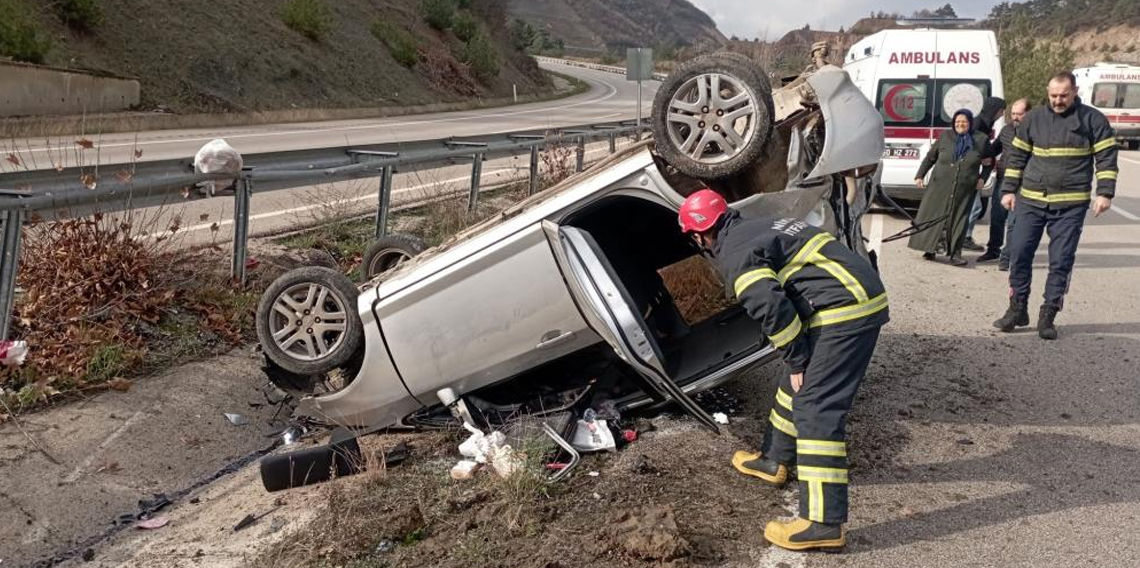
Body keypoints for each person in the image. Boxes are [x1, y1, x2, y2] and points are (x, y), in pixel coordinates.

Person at [677, 189, 888, 552]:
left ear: (698, 235)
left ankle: (823, 523)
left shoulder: (734, 253)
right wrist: (796, 363)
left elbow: (773, 309)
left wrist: (796, 358)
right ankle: (774, 459)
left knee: (815, 408)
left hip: (845, 308)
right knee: (794, 384)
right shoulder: (754, 227)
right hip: (849, 294)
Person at [994, 71, 1118, 339]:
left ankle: (1048, 313)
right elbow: (1017, 155)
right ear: (1047, 92)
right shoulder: (1034, 118)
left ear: (1074, 92)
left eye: (1063, 95)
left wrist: (1105, 193)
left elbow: (1106, 157)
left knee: (1060, 261)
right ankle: (1017, 308)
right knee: (1019, 253)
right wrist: (1008, 190)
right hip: (1031, 200)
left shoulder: (1092, 119)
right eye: (1053, 95)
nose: (1058, 100)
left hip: (1070, 205)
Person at [907, 109, 993, 266]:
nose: (960, 125)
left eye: (964, 122)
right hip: (939, 185)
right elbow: (930, 157)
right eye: (957, 122)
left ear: (970, 123)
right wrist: (920, 175)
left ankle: (955, 254)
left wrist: (982, 178)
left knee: (959, 219)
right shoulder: (945, 137)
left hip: (965, 188)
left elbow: (989, 162)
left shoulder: (981, 140)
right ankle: (930, 249)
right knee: (934, 216)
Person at [977, 98, 1031, 267]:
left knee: (1014, 222)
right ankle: (993, 250)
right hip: (1003, 179)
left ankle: (1007, 257)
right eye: (1013, 114)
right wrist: (980, 156)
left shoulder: (1036, 132)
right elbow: (994, 149)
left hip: (1023, 183)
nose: (1015, 117)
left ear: (1028, 114)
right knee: (997, 217)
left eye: (1019, 114)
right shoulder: (1007, 130)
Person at [963, 97, 1007, 251]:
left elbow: (988, 148)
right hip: (966, 172)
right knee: (974, 207)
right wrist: (982, 159)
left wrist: (988, 157)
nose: (1002, 115)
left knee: (973, 206)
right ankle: (964, 237)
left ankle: (963, 236)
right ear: (994, 110)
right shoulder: (977, 124)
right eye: (1001, 111)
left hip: (973, 171)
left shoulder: (985, 124)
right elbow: (968, 147)